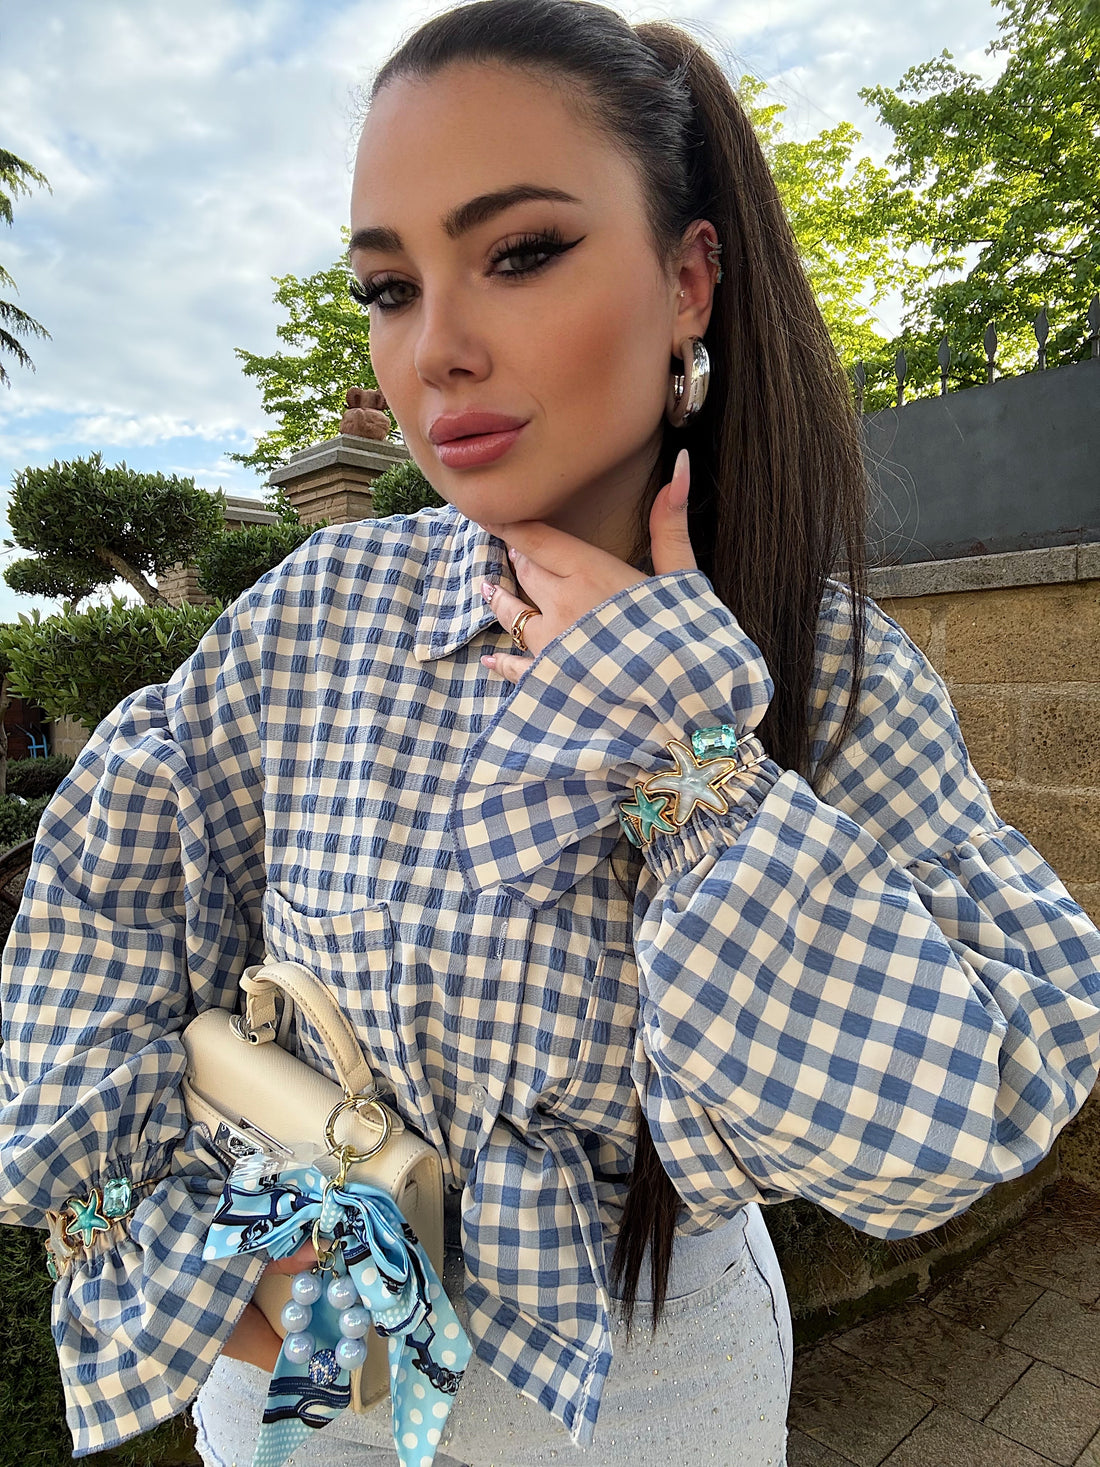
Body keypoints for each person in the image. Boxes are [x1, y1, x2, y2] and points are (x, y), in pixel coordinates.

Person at [3, 1, 1100, 1464]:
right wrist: (175, 1250)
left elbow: (943, 1127)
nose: (436, 349)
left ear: (689, 282)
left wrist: (679, 742)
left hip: (643, 1393)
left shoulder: (826, 670)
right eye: (389, 287)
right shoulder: (322, 613)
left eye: (520, 253)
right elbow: (104, 889)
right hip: (308, 1360)